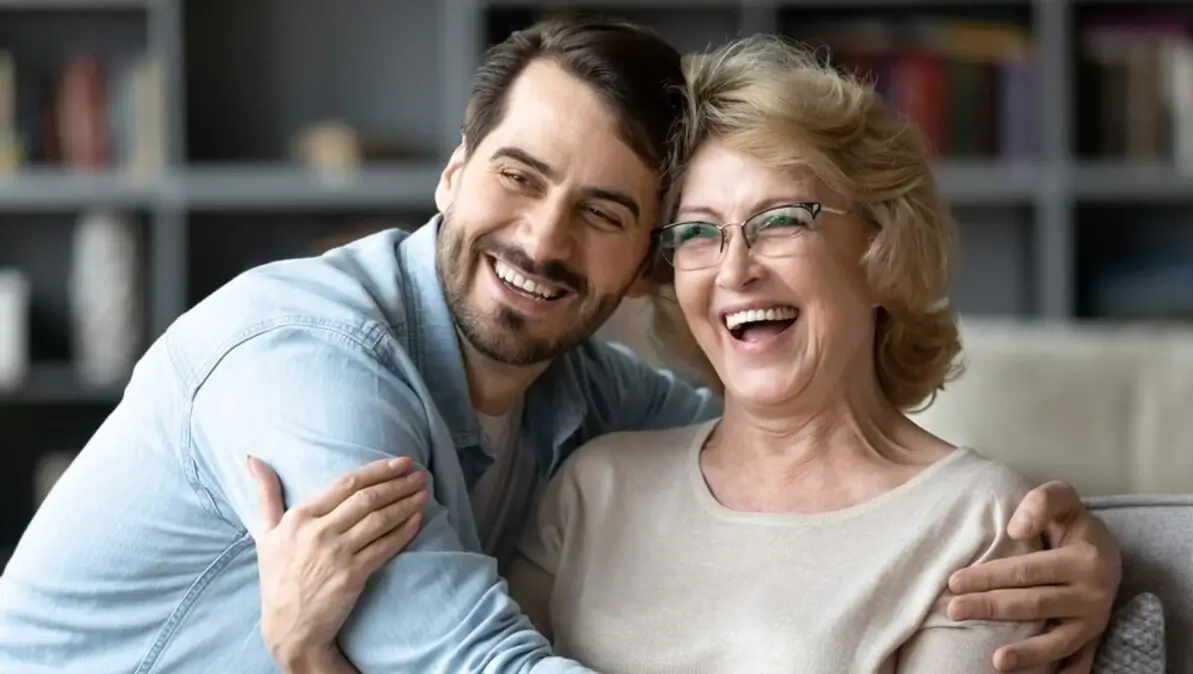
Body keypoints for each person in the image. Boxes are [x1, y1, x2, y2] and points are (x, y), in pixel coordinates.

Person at [0, 16, 1116, 674]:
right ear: (450, 173)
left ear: (638, 264)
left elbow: (799, 460)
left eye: (605, 210)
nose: (541, 236)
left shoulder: (589, 404)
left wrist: (1114, 543)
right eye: (518, 177)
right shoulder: (309, 362)